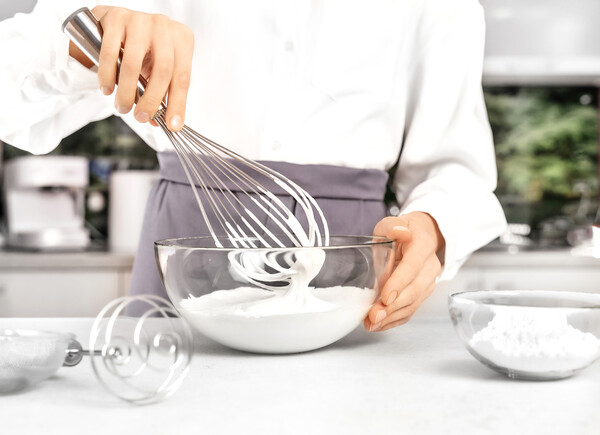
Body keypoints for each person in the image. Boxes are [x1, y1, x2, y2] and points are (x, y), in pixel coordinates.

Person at [0, 0, 506, 331]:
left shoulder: (444, 7)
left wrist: (433, 227)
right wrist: (88, 39)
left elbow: (455, 169)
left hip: (348, 275)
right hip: (186, 254)